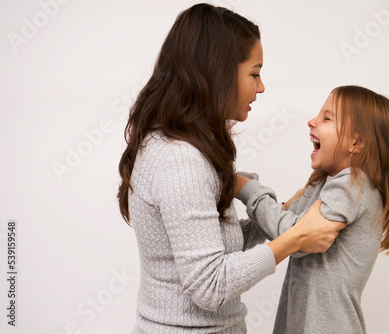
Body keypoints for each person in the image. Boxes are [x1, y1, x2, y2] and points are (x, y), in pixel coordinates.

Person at [116, 4, 343, 333]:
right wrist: (294, 239)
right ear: (219, 73)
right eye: (254, 73)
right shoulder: (181, 161)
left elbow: (215, 246)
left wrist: (279, 214)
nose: (261, 87)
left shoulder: (179, 146)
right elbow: (209, 286)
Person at [234, 85, 389, 334]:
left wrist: (248, 189)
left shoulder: (353, 184)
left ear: (356, 142)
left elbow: (294, 237)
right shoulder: (325, 181)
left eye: (327, 118)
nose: (311, 121)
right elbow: (287, 226)